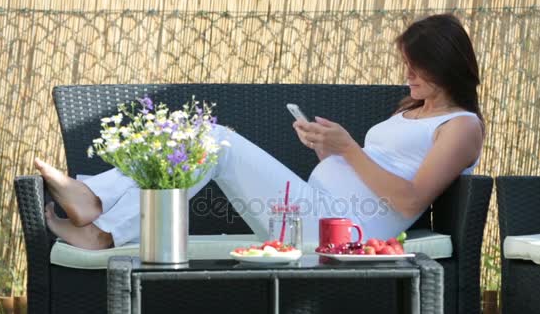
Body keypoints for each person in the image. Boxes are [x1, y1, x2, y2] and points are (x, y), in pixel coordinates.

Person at [35, 13, 484, 250]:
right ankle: (97, 210)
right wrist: (329, 151)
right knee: (210, 137)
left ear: (445, 63)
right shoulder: (414, 110)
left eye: (415, 66)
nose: (407, 74)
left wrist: (349, 147)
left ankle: (98, 212)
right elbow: (369, 174)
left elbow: (409, 200)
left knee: (217, 139)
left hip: (343, 231)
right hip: (313, 211)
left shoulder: (461, 126)